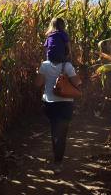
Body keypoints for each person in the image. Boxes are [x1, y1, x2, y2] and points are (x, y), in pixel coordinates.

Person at [35, 18, 81, 175]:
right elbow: (78, 83)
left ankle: (56, 157)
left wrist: (41, 72)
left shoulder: (45, 65)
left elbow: (37, 84)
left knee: (55, 130)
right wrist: (72, 76)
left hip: (49, 103)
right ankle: (58, 161)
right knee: (62, 132)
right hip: (66, 104)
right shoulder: (67, 66)